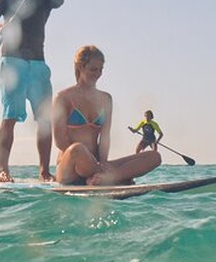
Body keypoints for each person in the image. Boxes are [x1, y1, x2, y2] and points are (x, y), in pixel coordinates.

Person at [0, 0, 65, 182]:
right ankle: (4, 170)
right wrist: (0, 28)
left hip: (38, 63)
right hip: (13, 61)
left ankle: (44, 172)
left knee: (45, 120)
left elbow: (59, 1)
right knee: (10, 116)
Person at [53, 45, 161, 185]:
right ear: (80, 67)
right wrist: (91, 163)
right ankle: (112, 177)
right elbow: (60, 141)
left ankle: (108, 177)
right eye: (93, 69)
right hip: (70, 166)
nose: (97, 73)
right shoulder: (63, 98)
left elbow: (105, 137)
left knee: (154, 156)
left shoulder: (106, 99)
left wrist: (103, 162)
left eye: (100, 69)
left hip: (97, 164)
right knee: (77, 149)